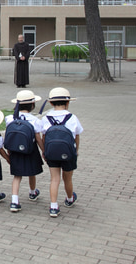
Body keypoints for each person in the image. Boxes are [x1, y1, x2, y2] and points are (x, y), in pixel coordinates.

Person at [41, 87, 84, 217]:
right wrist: (76, 151)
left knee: (54, 179)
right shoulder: (72, 117)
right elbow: (77, 136)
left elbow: (44, 136)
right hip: (68, 153)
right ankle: (70, 199)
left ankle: (53, 206)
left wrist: (44, 151)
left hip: (51, 152)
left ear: (51, 103)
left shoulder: (46, 118)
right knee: (67, 178)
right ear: (67, 102)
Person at [5, 90, 44, 212]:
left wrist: (9, 152)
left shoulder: (10, 118)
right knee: (32, 172)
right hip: (30, 149)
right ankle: (32, 192)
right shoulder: (35, 120)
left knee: (17, 175)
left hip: (15, 150)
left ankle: (14, 201)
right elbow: (38, 138)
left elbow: (8, 136)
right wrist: (44, 150)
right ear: (32, 105)